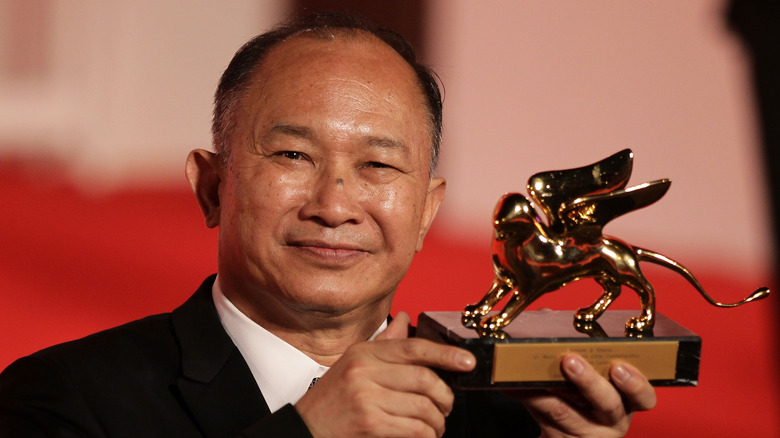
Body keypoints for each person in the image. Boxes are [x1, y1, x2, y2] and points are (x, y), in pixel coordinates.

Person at [0, 12, 655, 437]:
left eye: (377, 164)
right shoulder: (60, 399)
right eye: (292, 155)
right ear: (211, 187)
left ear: (427, 213)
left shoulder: (504, 418)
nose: (335, 204)